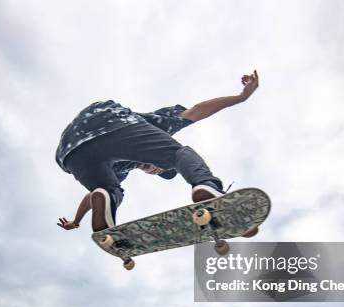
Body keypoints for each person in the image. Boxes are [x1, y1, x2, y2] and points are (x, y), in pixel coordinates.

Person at [56, 70, 260, 233]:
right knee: (179, 154)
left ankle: (107, 219)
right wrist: (240, 98)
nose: (154, 170)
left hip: (71, 152)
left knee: (108, 190)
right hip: (111, 120)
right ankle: (206, 186)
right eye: (160, 168)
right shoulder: (157, 124)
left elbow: (93, 196)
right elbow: (197, 111)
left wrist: (76, 220)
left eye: (156, 173)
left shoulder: (123, 168)